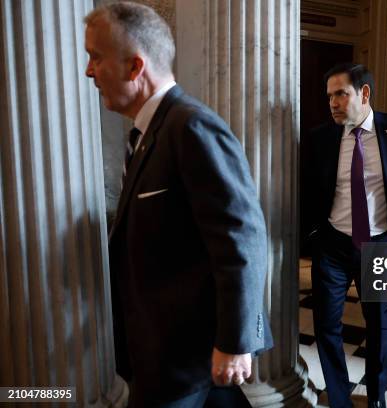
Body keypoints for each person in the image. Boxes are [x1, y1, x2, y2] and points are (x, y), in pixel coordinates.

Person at [83, 2, 271, 406]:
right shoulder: (149, 133)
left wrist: (236, 341)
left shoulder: (191, 125)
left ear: (135, 67)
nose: (88, 71)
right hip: (160, 350)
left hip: (188, 357)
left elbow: (243, 237)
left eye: (95, 57)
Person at [307, 63, 387, 408]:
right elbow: (309, 188)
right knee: (326, 327)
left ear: (364, 93)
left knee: (379, 329)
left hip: (381, 243)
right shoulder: (321, 137)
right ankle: (340, 400)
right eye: (329, 95)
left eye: (340, 94)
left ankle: (376, 399)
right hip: (333, 244)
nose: (332, 102)